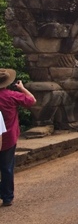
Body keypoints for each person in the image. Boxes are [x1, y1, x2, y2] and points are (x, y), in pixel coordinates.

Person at [0, 69, 36, 207]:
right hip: (8, 137)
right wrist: (22, 88)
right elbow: (32, 100)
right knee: (7, 168)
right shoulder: (11, 95)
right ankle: (7, 196)